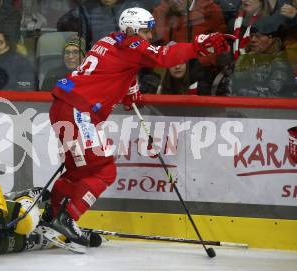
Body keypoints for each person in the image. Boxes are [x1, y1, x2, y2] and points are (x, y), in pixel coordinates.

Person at [45, 7, 232, 246]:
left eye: (150, 30)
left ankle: (50, 214)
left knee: (77, 171)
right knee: (104, 170)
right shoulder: (133, 44)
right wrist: (198, 45)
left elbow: (114, 69)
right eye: (145, 31)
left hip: (63, 105)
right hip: (78, 112)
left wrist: (130, 87)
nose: (149, 36)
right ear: (131, 29)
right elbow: (164, 57)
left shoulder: (110, 40)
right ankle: (67, 217)